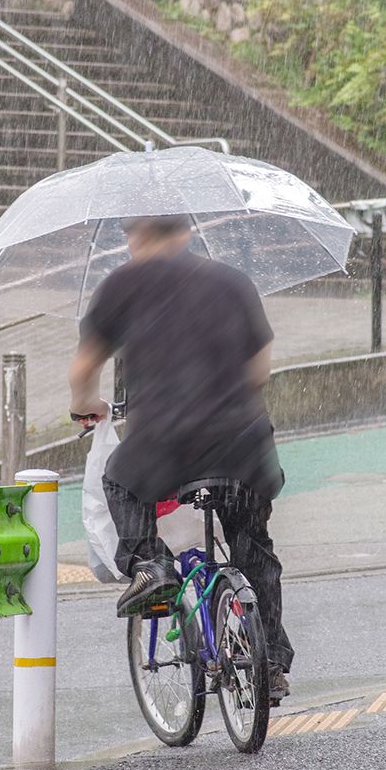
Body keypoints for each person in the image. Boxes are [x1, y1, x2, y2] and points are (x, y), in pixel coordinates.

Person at [67, 213, 292, 701]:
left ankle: (152, 567)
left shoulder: (122, 286)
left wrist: (87, 406)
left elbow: (83, 368)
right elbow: (261, 365)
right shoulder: (232, 281)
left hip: (167, 444)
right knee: (254, 544)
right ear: (186, 232)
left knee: (118, 479)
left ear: (136, 235)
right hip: (245, 443)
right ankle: (270, 658)